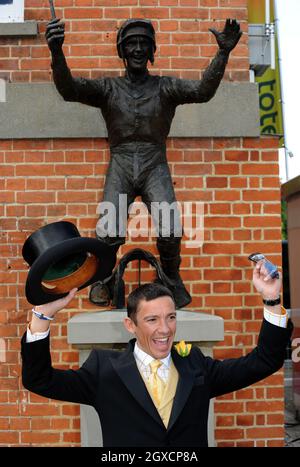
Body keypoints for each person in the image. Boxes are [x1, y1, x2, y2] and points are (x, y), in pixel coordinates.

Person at [44, 17, 242, 308]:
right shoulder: (108, 89)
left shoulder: (165, 87)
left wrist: (223, 52)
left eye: (143, 44)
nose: (137, 49)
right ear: (122, 51)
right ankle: (106, 280)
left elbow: (202, 91)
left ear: (152, 51)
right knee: (109, 230)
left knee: (171, 229)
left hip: (154, 163)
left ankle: (172, 279)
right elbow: (69, 89)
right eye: (131, 44)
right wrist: (57, 52)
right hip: (122, 161)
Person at [21, 259, 292, 447]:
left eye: (171, 317)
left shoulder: (196, 365)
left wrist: (272, 299)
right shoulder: (104, 370)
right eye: (152, 320)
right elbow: (39, 380)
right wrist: (43, 315)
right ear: (131, 325)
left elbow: (264, 361)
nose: (165, 329)